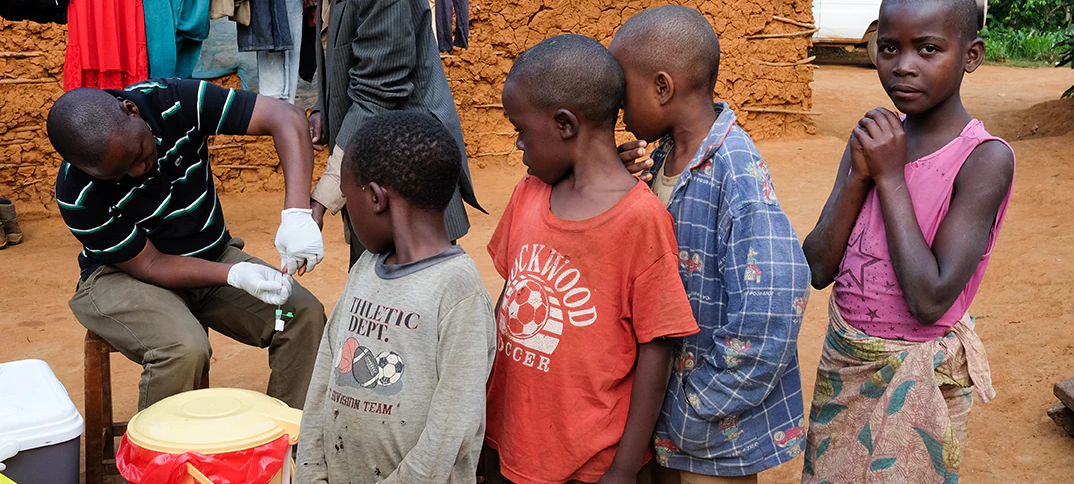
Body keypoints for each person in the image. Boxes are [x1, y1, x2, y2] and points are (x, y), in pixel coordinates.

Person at [800, 0, 1015, 482]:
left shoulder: (982, 160)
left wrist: (890, 175)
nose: (903, 67)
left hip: (920, 375)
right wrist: (860, 174)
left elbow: (930, 298)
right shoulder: (874, 142)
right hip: (846, 361)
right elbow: (817, 266)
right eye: (889, 48)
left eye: (928, 49)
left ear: (971, 55)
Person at [483, 35, 699, 484]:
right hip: (512, 442)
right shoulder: (528, 194)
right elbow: (509, 302)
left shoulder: (641, 219)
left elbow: (656, 346)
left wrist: (624, 466)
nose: (520, 145)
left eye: (521, 130)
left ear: (564, 124)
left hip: (590, 461)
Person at [610, 6, 812, 483]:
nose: (618, 110)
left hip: (717, 432)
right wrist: (617, 187)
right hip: (668, 416)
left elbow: (775, 306)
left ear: (661, 88)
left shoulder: (735, 170)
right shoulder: (661, 159)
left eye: (623, 96)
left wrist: (702, 400)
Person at [48, 79, 326, 410]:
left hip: (211, 255)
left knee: (302, 315)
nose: (139, 170)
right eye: (119, 174)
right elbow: (151, 265)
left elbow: (286, 116)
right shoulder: (77, 192)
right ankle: (159, 460)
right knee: (182, 349)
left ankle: (286, 446)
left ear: (132, 110)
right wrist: (233, 275)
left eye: (139, 152)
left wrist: (296, 213)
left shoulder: (175, 102)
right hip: (122, 276)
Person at [265, 0, 483, 267]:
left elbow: (378, 96)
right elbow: (350, 56)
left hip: (409, 171)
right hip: (378, 158)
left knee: (413, 291)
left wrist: (318, 203)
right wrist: (326, 111)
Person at [296, 110, 495, 484]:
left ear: (374, 198)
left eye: (347, 199)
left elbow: (451, 429)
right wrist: (310, 471)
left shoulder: (458, 291)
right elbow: (324, 374)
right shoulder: (364, 270)